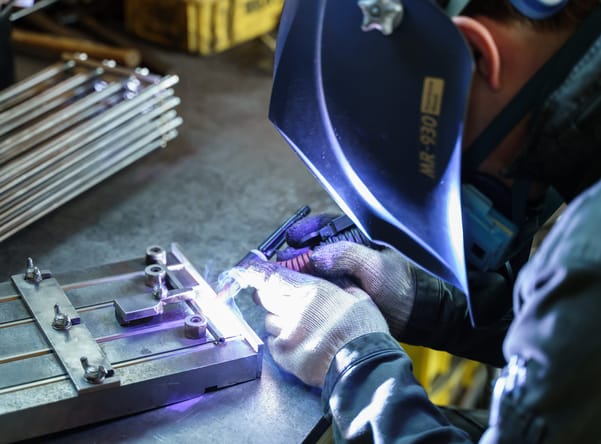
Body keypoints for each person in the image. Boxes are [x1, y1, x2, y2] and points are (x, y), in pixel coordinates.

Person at [228, 0, 601, 442]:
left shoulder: (589, 245)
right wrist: (417, 301)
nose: (461, 191)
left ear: (479, 57)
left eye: (445, 168)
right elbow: (578, 349)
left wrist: (355, 366)